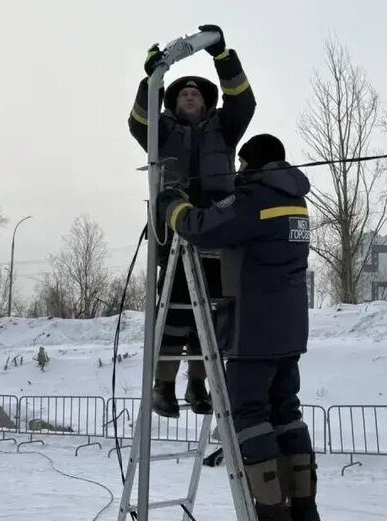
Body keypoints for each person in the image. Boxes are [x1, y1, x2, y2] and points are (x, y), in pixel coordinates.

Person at [159, 134, 321, 521]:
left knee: (249, 415)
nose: (238, 172)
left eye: (241, 165)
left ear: (249, 163)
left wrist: (171, 204)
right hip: (289, 330)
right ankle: (302, 508)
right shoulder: (294, 200)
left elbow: (201, 227)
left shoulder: (254, 199)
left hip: (254, 330)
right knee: (286, 412)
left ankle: (269, 513)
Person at [127, 24, 256, 418]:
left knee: (211, 317)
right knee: (176, 315)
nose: (189, 95)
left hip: (217, 234)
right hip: (175, 235)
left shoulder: (225, 129)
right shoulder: (161, 133)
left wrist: (223, 56)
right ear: (172, 102)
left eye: (196, 93)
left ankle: (199, 385)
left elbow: (243, 102)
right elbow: (138, 121)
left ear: (207, 102)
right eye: (182, 93)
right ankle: (163, 386)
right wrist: (152, 79)